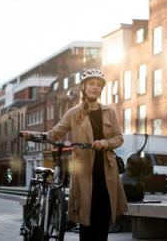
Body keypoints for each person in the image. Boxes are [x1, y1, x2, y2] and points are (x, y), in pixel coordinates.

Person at [20, 68, 128, 241]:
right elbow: (54, 133)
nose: (95, 88)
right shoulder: (73, 113)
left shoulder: (110, 112)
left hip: (107, 170)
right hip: (84, 170)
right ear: (83, 87)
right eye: (91, 84)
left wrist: (105, 143)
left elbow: (119, 138)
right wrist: (32, 135)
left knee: (103, 215)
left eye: (99, 85)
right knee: (86, 216)